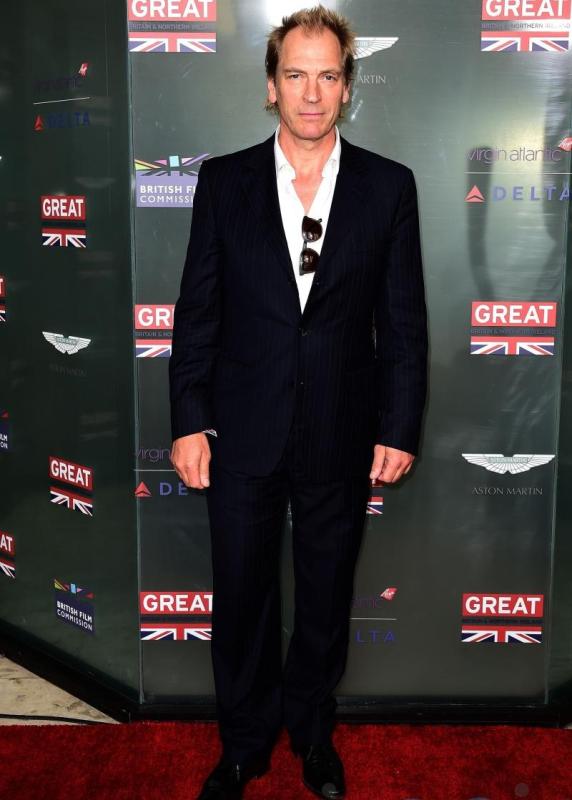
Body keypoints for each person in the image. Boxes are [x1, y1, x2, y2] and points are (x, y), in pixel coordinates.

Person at [169, 6, 428, 799]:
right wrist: (189, 421)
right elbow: (197, 314)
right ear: (271, 86)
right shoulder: (224, 182)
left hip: (340, 431)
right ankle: (244, 744)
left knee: (323, 595)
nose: (311, 93)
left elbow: (403, 322)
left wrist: (399, 426)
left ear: (347, 87)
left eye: (327, 75)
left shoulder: (388, 187)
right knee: (242, 597)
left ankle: (314, 734)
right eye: (295, 74)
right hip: (242, 428)